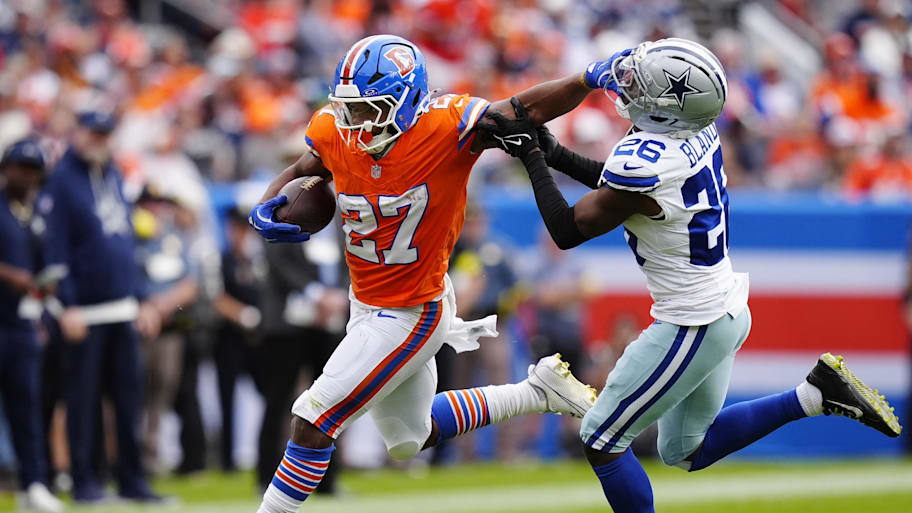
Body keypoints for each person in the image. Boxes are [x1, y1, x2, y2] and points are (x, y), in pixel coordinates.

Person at [478, 37, 903, 513]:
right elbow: (619, 189)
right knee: (685, 449)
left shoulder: (647, 163)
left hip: (692, 322)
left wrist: (530, 155)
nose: (633, 88)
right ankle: (814, 394)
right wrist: (553, 153)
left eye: (647, 87)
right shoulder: (696, 132)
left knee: (600, 438)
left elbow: (567, 228)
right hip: (724, 307)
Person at [247, 34, 625, 512]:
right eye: (350, 109)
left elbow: (524, 109)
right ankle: (537, 391)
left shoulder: (448, 126)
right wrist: (265, 205)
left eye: (368, 110)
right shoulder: (334, 128)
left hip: (412, 310)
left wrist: (586, 78)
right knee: (410, 437)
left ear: (406, 102)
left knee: (313, 418)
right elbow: (306, 167)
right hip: (365, 301)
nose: (356, 123)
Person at [41, 111, 164, 503]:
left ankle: (132, 480)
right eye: (94, 133)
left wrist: (142, 297)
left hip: (122, 307)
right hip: (85, 311)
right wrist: (65, 304)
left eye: (105, 134)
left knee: (128, 401)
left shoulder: (111, 173)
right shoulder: (61, 181)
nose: (100, 141)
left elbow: (125, 241)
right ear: (78, 132)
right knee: (83, 401)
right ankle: (85, 481)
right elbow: (54, 246)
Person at [0, 139, 64, 512]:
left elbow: (44, 265)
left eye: (33, 170)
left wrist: (43, 289)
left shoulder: (36, 213)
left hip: (22, 324)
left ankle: (33, 483)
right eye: (21, 168)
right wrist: (10, 276)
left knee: (27, 407)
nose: (26, 176)